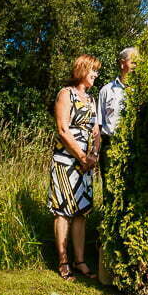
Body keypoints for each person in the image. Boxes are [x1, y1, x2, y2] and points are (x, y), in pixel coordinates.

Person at [49, 54, 101, 280]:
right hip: (66, 160)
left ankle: (80, 261)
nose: (96, 75)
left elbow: (96, 131)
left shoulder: (91, 99)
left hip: (86, 163)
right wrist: (81, 155)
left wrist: (94, 155)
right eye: (93, 70)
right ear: (82, 69)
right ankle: (63, 261)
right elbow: (62, 130)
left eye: (97, 71)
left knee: (81, 212)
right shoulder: (65, 93)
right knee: (63, 211)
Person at [96, 47, 137, 181]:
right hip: (110, 145)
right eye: (133, 62)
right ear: (122, 63)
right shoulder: (106, 90)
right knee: (109, 187)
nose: (136, 66)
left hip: (133, 147)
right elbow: (98, 124)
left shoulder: (140, 91)